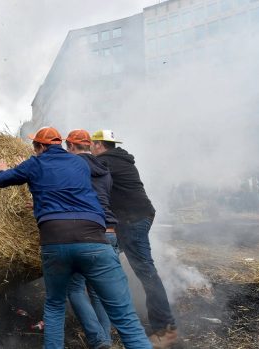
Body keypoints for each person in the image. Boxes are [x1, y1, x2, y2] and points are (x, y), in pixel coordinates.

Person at [0, 127, 151, 349]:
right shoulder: (80, 163)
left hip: (55, 242)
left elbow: (1, 180)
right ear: (61, 144)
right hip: (95, 239)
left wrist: (5, 169)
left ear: (39, 147)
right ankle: (103, 340)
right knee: (125, 317)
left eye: (34, 146)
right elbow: (71, 191)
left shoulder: (35, 163)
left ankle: (93, 340)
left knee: (55, 306)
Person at [91, 130, 177, 349]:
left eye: (92, 144)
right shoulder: (121, 159)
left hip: (132, 220)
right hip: (135, 217)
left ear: (99, 145)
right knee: (106, 260)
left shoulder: (105, 162)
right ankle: (109, 318)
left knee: (145, 271)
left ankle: (165, 329)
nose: (90, 148)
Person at [64, 130, 119, 349]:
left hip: (87, 232)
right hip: (110, 232)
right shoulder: (105, 170)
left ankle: (98, 339)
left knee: (75, 287)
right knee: (97, 291)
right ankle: (104, 339)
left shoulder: (72, 167)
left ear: (71, 146)